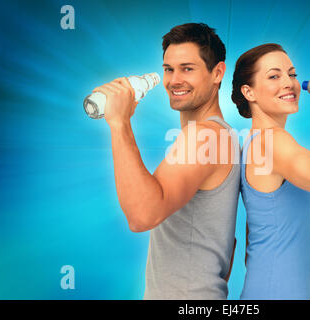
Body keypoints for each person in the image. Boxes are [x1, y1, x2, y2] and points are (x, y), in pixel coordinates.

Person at [93, 23, 240, 299]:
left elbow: (141, 216)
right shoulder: (219, 137)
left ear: (218, 73)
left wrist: (119, 123)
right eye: (168, 69)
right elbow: (228, 246)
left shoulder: (205, 137)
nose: (174, 80)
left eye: (187, 68)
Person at [231, 43, 310, 299]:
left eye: (292, 74)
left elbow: (253, 238)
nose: (289, 82)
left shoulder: (259, 141)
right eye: (274, 76)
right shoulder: (270, 141)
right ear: (248, 92)